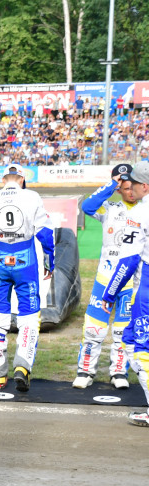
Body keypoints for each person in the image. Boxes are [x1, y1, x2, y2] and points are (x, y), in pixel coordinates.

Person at [0, 164, 55, 391]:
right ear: (21, 180)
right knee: (29, 316)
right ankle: (22, 366)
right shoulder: (31, 197)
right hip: (26, 263)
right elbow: (46, 235)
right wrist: (50, 261)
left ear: (4, 180)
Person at [73, 163, 140, 389]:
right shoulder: (108, 207)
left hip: (131, 280)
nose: (128, 190)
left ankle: (119, 372)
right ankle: (85, 371)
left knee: (122, 330)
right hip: (105, 278)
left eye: (132, 185)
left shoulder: (144, 209)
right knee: (94, 328)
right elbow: (87, 205)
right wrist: (112, 184)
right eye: (124, 186)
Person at [100, 161, 149, 426]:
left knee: (138, 347)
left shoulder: (140, 212)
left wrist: (109, 293)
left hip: (146, 289)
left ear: (144, 186)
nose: (131, 188)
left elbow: (129, 261)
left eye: (135, 183)